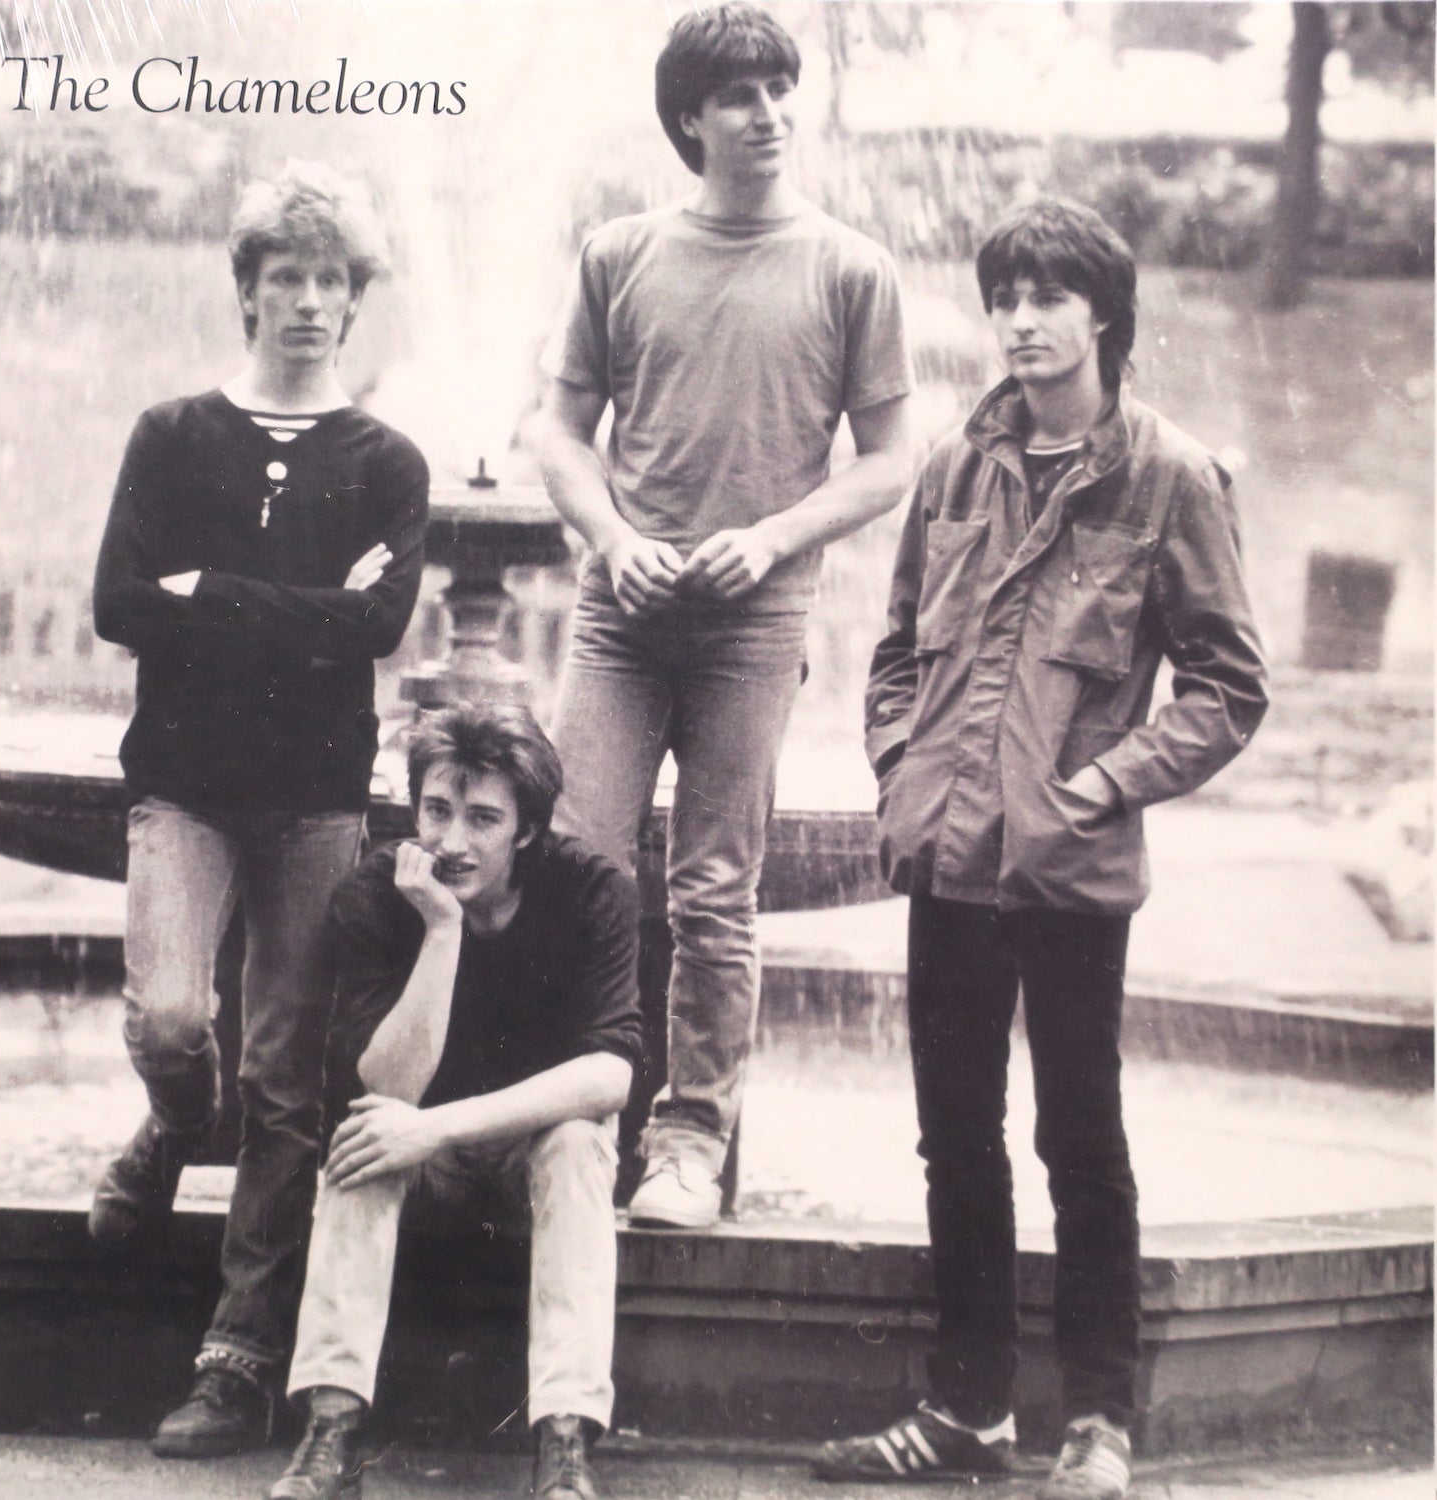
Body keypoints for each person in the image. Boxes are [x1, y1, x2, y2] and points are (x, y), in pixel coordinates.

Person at [814, 199, 1268, 1500]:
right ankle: (968, 1410)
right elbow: (895, 647)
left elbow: (1229, 687)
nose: (1018, 322)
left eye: (1046, 298)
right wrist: (901, 766)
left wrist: (1103, 786)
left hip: (1070, 869)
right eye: (1004, 298)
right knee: (956, 1138)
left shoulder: (1171, 475)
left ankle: (1098, 1424)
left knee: (1082, 1140)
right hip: (948, 860)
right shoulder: (956, 466)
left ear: (1104, 316)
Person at [532, 3, 912, 1230]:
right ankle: (570, 1122)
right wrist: (614, 539)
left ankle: (689, 1143)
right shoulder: (621, 253)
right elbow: (557, 432)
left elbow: (890, 459)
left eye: (779, 90)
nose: (768, 115)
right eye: (739, 96)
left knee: (714, 891)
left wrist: (776, 536)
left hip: (753, 626)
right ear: (689, 118)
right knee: (579, 866)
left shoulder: (851, 268)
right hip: (621, 618)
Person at [89, 161, 429, 1458]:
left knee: (288, 1080)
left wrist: (213, 594)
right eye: (284, 276)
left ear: (355, 300)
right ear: (247, 290)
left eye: (329, 279)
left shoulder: (386, 462)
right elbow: (121, 604)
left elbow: (377, 625)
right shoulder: (173, 436)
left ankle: (232, 1363)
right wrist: (304, 609)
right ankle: (178, 1122)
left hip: (316, 799)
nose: (307, 301)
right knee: (173, 1019)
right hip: (184, 783)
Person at [265, 703, 642, 1500]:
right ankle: (331, 1425)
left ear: (528, 828)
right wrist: (442, 931)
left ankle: (565, 1440)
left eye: (483, 818)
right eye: (436, 810)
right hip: (420, 1161)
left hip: (526, 1154)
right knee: (366, 1138)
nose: (451, 842)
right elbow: (389, 1087)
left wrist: (435, 1128)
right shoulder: (378, 893)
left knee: (580, 1142)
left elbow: (610, 1076)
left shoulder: (591, 889)